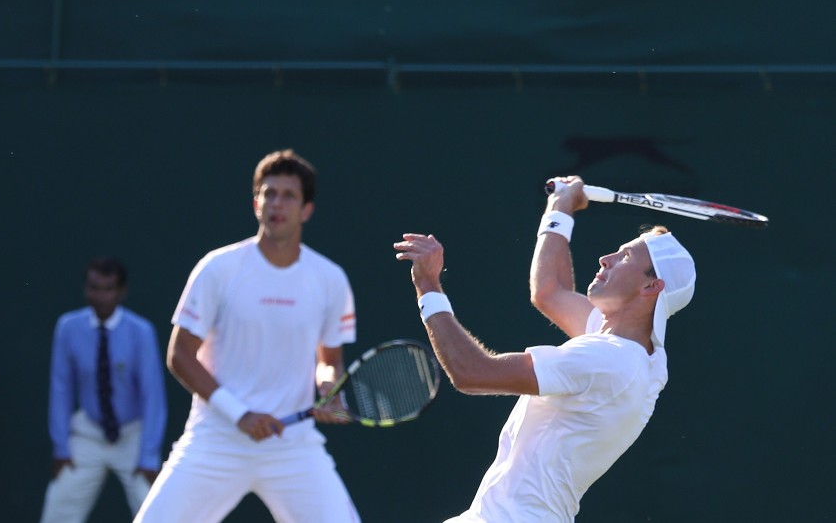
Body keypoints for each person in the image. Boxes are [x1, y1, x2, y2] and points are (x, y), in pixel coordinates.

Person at [393, 175, 696, 522]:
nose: (605, 258)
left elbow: (472, 373)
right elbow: (549, 290)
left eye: (624, 257)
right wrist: (560, 208)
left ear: (651, 286)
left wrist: (429, 286)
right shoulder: (639, 355)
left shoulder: (608, 359)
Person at [135, 149, 360, 523]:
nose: (277, 204)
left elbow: (329, 360)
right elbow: (180, 355)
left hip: (293, 446)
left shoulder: (330, 279)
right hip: (216, 438)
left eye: (289, 196)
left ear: (306, 210)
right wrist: (239, 414)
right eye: (268, 193)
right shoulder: (217, 269)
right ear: (256, 203)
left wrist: (327, 388)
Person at [41, 257, 167, 523]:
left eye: (108, 288)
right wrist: (61, 448)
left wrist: (148, 455)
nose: (100, 296)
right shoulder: (68, 327)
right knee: (57, 510)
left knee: (156, 512)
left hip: (133, 435)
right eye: (94, 287)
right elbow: (61, 388)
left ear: (122, 292)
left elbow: (152, 397)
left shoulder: (141, 332)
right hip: (87, 434)